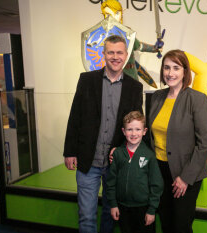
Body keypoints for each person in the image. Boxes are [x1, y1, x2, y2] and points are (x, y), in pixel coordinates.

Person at [63, 35, 143, 233]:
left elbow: (135, 128)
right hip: (87, 160)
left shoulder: (135, 87)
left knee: (110, 213)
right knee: (87, 215)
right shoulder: (87, 80)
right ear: (103, 54)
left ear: (126, 55)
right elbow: (75, 117)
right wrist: (69, 151)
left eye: (119, 52)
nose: (115, 57)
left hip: (116, 164)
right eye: (111, 52)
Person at [148, 50, 207, 233]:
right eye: (167, 67)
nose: (170, 73)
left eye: (176, 68)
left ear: (185, 71)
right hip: (159, 171)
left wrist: (185, 178)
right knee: (166, 223)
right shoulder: (157, 97)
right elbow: (149, 137)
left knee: (181, 226)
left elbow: (204, 143)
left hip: (185, 173)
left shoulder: (197, 99)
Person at [106, 111, 163, 233]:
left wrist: (151, 210)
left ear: (144, 131)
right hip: (122, 207)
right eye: (129, 129)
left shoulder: (149, 156)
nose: (133, 133)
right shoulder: (118, 154)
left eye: (138, 129)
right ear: (123, 131)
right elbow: (111, 182)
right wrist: (113, 204)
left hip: (143, 208)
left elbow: (156, 185)